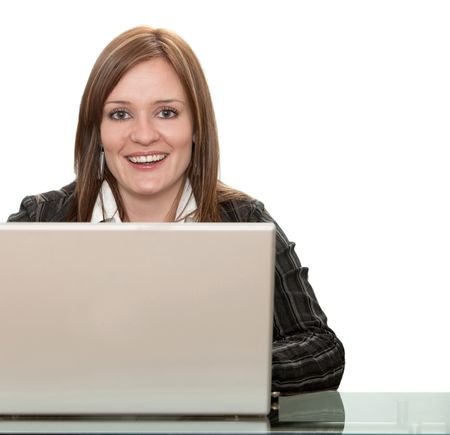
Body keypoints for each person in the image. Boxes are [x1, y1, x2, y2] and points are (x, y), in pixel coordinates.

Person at [8, 26, 345, 393]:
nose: (144, 135)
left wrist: (209, 367)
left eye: (166, 112)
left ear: (197, 126)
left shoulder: (245, 222)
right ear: (97, 132)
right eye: (120, 115)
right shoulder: (41, 221)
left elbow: (322, 351)